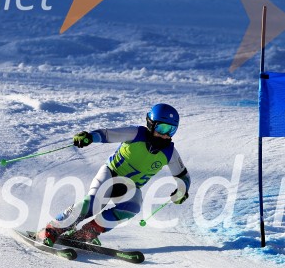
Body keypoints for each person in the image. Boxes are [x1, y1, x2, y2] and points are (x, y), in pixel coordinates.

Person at [37, 103, 191, 246]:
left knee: (132, 208)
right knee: (93, 204)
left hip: (130, 187)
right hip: (110, 175)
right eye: (162, 128)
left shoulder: (169, 152)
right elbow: (107, 134)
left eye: (171, 130)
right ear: (151, 124)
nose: (165, 135)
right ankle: (51, 230)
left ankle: (88, 232)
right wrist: (90, 137)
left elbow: (183, 176)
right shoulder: (136, 134)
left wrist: (182, 191)